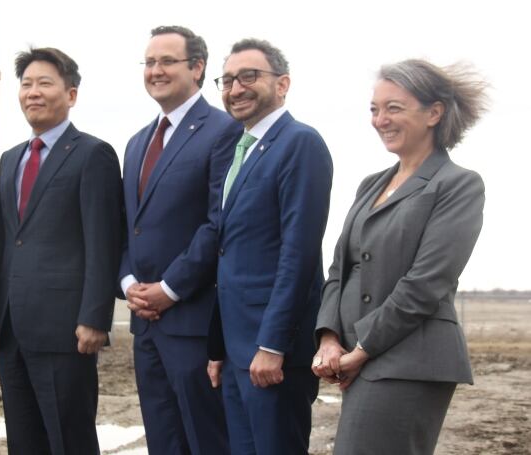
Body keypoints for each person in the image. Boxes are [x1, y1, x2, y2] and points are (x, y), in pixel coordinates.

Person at [312, 59, 488, 455]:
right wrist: (329, 338)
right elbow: (340, 268)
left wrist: (362, 349)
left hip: (412, 359)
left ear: (434, 113)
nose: (380, 120)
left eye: (394, 108)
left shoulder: (458, 185)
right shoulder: (370, 184)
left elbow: (426, 283)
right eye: (374, 109)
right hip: (360, 356)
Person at [0, 47, 122, 455]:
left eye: (45, 83)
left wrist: (95, 317)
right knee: (23, 440)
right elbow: (2, 243)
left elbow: (102, 241)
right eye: (26, 84)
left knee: (69, 439)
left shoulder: (92, 154)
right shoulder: (10, 160)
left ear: (71, 95)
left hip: (67, 331)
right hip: (11, 329)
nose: (33, 93)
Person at [120, 25, 242, 455]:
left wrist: (169, 289)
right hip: (145, 324)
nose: (156, 70)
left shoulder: (224, 131)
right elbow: (128, 227)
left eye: (167, 61)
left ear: (197, 68)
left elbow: (218, 223)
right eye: (150, 62)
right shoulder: (136, 143)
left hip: (192, 323)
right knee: (163, 442)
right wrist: (128, 282)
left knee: (206, 440)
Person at [209, 38, 333, 454]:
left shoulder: (300, 143)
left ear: (282, 84)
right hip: (236, 351)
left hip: (271, 354)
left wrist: (272, 345)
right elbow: (230, 254)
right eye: (226, 80)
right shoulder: (241, 151)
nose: (235, 88)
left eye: (249, 76)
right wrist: (219, 348)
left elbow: (297, 254)